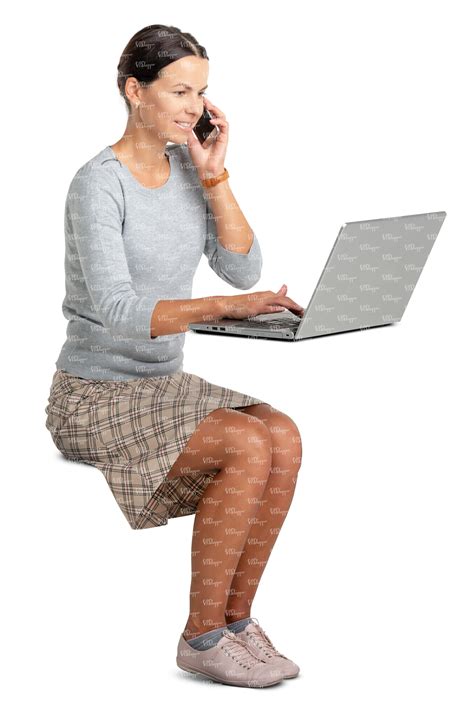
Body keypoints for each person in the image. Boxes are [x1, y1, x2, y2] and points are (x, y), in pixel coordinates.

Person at [44, 24, 303, 687]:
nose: (193, 108)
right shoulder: (98, 183)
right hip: (93, 395)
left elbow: (243, 270)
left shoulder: (192, 168)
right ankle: (201, 634)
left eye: (203, 93)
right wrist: (222, 309)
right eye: (179, 90)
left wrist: (215, 176)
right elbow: (120, 311)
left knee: (283, 434)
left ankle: (236, 622)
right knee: (247, 442)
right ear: (136, 91)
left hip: (162, 384)